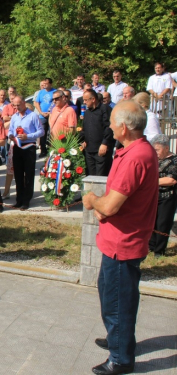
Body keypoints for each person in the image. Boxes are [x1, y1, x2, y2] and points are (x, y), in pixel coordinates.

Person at [83, 100, 158, 375]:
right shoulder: (136, 150)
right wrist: (105, 209)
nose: (110, 127)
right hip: (118, 238)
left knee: (118, 304)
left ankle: (121, 358)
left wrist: (93, 201)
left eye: (112, 123)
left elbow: (111, 205)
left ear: (123, 128)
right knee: (111, 297)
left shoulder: (135, 157)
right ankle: (119, 340)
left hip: (123, 244)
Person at [8, 96, 44, 210]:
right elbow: (10, 130)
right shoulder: (14, 117)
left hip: (29, 147)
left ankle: (26, 200)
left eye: (19, 105)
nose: (17, 107)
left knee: (28, 174)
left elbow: (41, 131)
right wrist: (11, 136)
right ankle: (19, 199)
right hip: (17, 146)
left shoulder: (33, 116)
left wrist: (27, 136)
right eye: (15, 105)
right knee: (18, 175)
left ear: (24, 103)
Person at [148, 134, 177, 257]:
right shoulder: (154, 159)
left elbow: (172, 180)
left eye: (157, 149)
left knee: (162, 223)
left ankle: (159, 251)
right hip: (153, 196)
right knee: (152, 221)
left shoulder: (174, 161)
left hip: (167, 197)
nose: (156, 152)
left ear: (166, 148)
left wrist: (151, 182)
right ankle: (151, 246)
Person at [81, 89, 114, 176]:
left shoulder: (105, 109)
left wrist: (105, 143)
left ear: (93, 99)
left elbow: (109, 127)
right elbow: (86, 128)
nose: (84, 102)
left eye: (86, 100)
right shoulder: (87, 112)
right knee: (91, 176)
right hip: (89, 149)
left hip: (101, 149)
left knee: (101, 176)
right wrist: (84, 140)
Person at [35, 78, 56, 157]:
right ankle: (43, 150)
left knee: (52, 133)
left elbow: (55, 103)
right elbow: (37, 103)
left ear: (50, 84)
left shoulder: (54, 92)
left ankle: (52, 150)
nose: (44, 85)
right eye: (43, 84)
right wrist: (41, 112)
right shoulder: (41, 92)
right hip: (42, 116)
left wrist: (50, 112)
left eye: (46, 83)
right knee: (42, 134)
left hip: (51, 115)